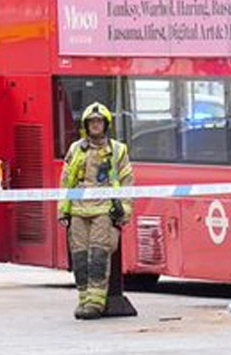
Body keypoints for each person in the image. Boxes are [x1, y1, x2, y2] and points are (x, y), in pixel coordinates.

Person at [57, 102, 133, 319]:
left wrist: (124, 212)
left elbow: (127, 181)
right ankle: (83, 300)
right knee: (79, 258)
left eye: (99, 121)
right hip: (78, 211)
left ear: (106, 124)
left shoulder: (117, 150)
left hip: (103, 210)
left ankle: (96, 303)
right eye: (92, 122)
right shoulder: (76, 149)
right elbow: (66, 181)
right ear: (86, 125)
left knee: (99, 256)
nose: (95, 125)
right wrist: (63, 211)